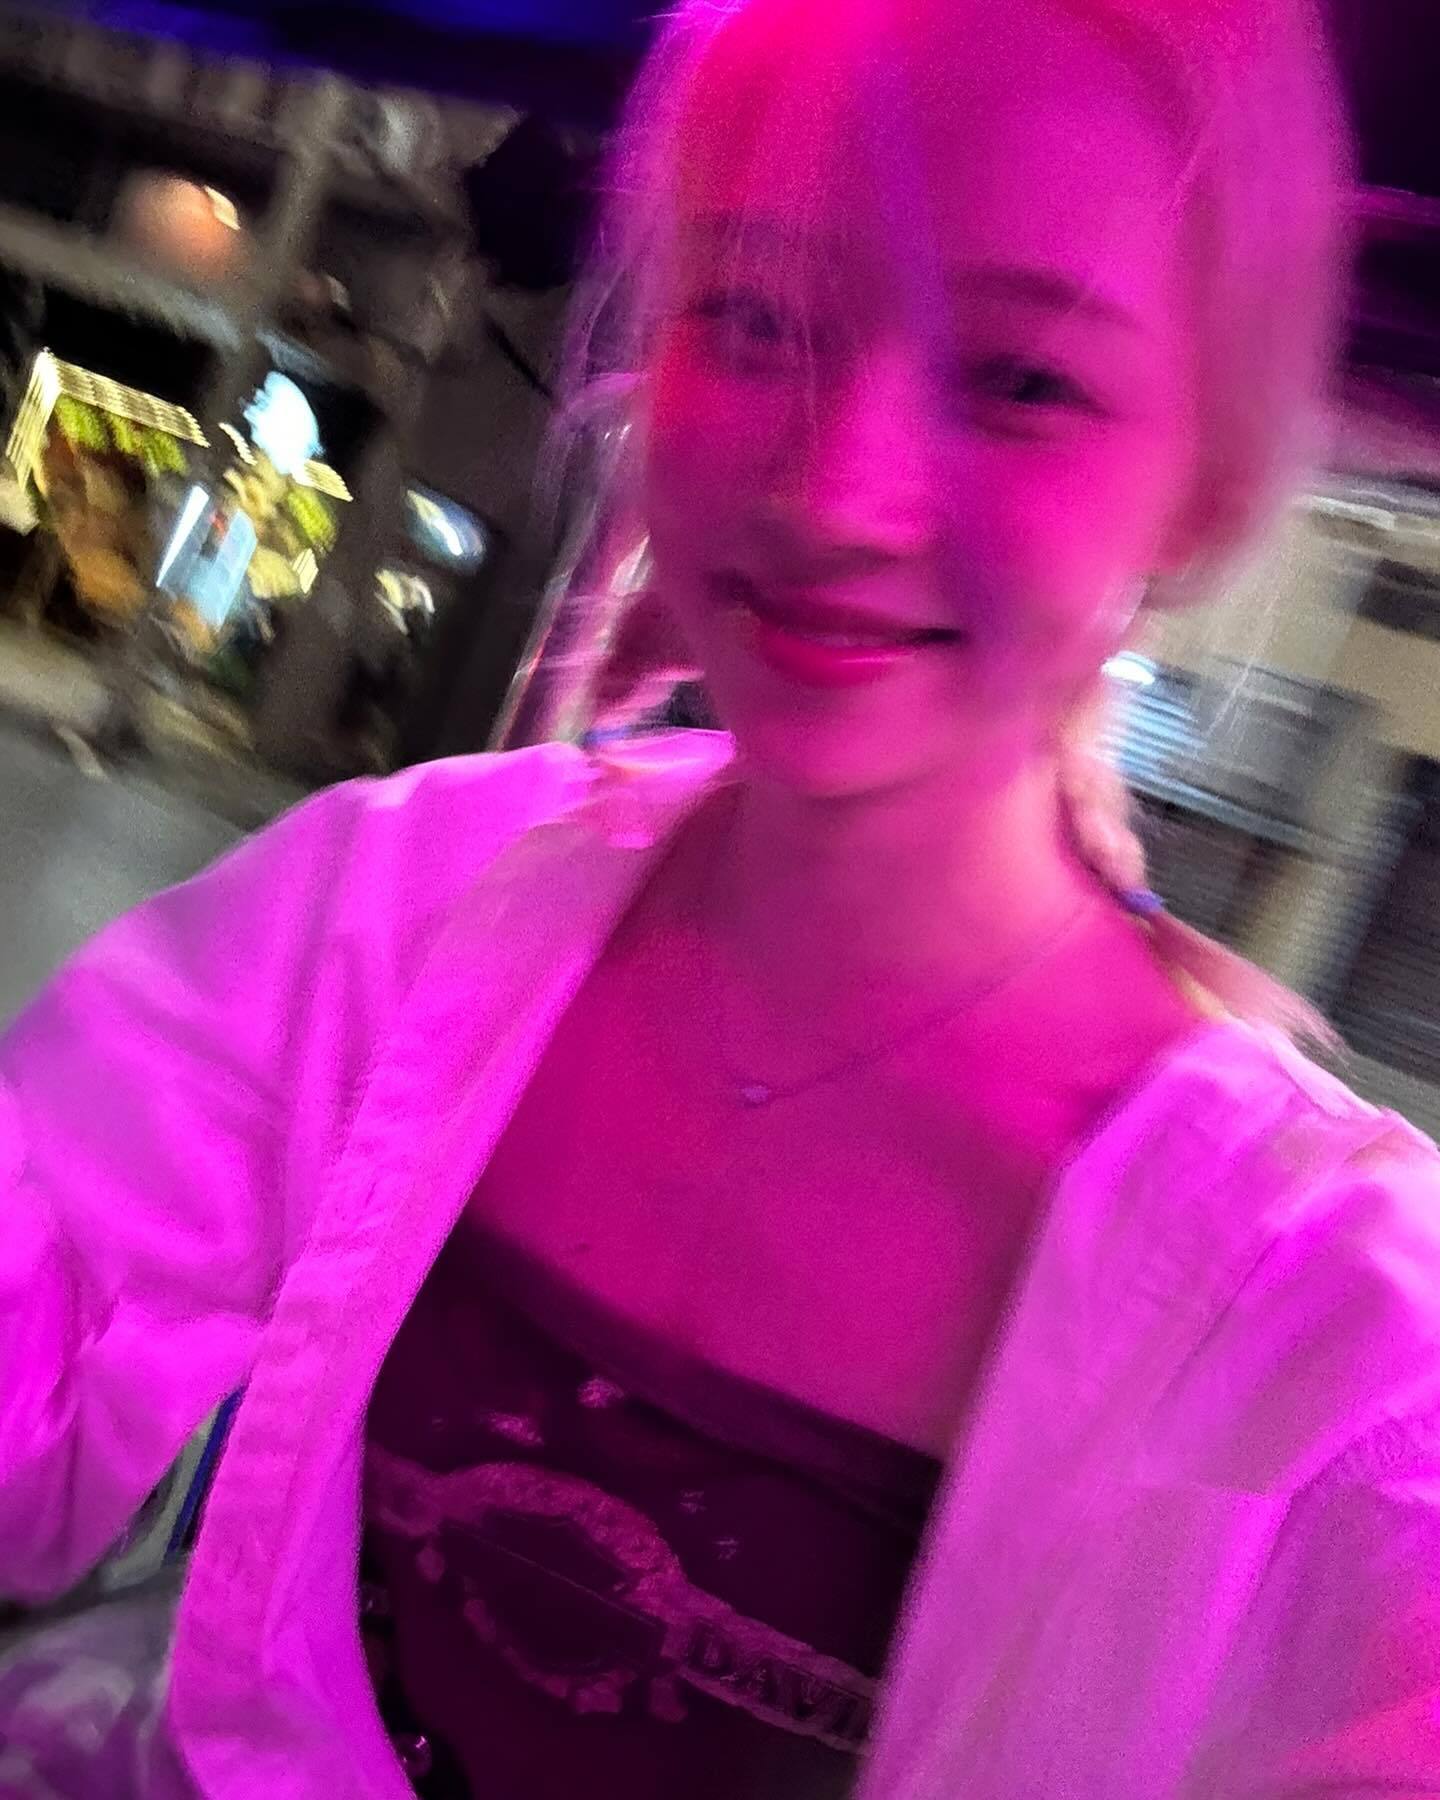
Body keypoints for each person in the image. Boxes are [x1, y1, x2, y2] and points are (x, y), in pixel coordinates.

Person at [2, 1, 1439, 1796]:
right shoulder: (404, 907)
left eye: (1020, 381)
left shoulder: (1341, 1362)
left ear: (1206, 478)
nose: (837, 492)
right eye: (755, 320)